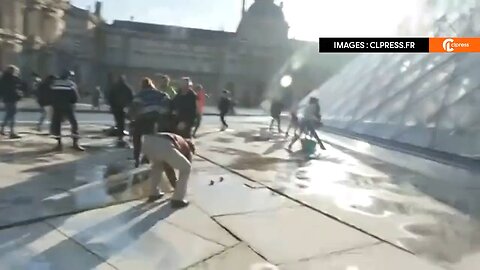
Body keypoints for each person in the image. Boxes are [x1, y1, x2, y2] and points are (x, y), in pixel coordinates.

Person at [142, 132, 195, 208]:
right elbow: (169, 169)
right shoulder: (186, 148)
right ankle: (178, 199)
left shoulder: (180, 140)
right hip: (163, 144)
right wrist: (176, 186)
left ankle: (154, 193)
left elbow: (166, 164)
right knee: (186, 168)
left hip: (147, 141)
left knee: (157, 166)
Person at [128, 77, 170, 168]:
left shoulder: (140, 95)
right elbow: (167, 103)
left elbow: (134, 108)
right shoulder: (160, 94)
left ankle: (136, 158)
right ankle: (146, 158)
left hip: (142, 119)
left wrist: (131, 118)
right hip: (155, 119)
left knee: (137, 137)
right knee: (150, 138)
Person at [50, 70, 84, 151]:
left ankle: (59, 144)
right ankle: (75, 143)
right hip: (68, 107)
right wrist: (71, 102)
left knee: (57, 125)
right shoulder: (70, 84)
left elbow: (51, 94)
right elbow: (75, 97)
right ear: (68, 76)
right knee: (74, 124)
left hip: (57, 107)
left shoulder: (54, 83)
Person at [0, 65, 25, 138]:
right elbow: (15, 87)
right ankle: (11, 132)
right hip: (11, 98)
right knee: (12, 115)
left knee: (9, 114)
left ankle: (2, 129)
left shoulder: (4, 78)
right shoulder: (12, 78)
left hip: (6, 98)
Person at [108, 76, 134, 146]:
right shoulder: (127, 88)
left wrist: (112, 105)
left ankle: (120, 136)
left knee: (119, 121)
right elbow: (131, 97)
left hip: (116, 108)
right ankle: (122, 135)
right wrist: (128, 105)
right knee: (122, 122)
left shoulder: (114, 87)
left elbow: (110, 97)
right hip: (123, 107)